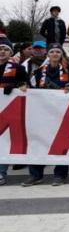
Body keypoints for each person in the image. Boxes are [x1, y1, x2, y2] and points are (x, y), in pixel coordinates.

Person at [22, 43, 69, 187]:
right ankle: (35, 175)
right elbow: (32, 87)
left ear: (61, 54)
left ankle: (60, 175)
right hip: (43, 112)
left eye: (57, 52)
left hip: (62, 111)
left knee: (61, 143)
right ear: (48, 54)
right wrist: (24, 86)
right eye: (52, 51)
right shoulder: (40, 71)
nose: (54, 54)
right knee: (38, 142)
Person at [0, 37, 29, 186]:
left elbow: (25, 85)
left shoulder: (18, 69)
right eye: (0, 49)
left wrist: (17, 86)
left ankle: (1, 172)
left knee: (3, 142)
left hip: (8, 111)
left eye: (5, 49)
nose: (2, 52)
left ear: (10, 52)